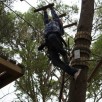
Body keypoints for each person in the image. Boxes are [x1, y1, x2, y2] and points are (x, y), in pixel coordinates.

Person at [38, 7, 81, 80]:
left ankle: (64, 53)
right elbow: (45, 19)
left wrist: (52, 10)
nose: (60, 21)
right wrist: (45, 11)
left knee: (52, 37)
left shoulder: (57, 23)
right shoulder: (47, 23)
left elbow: (55, 16)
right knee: (55, 62)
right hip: (49, 44)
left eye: (61, 21)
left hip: (55, 38)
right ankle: (74, 72)